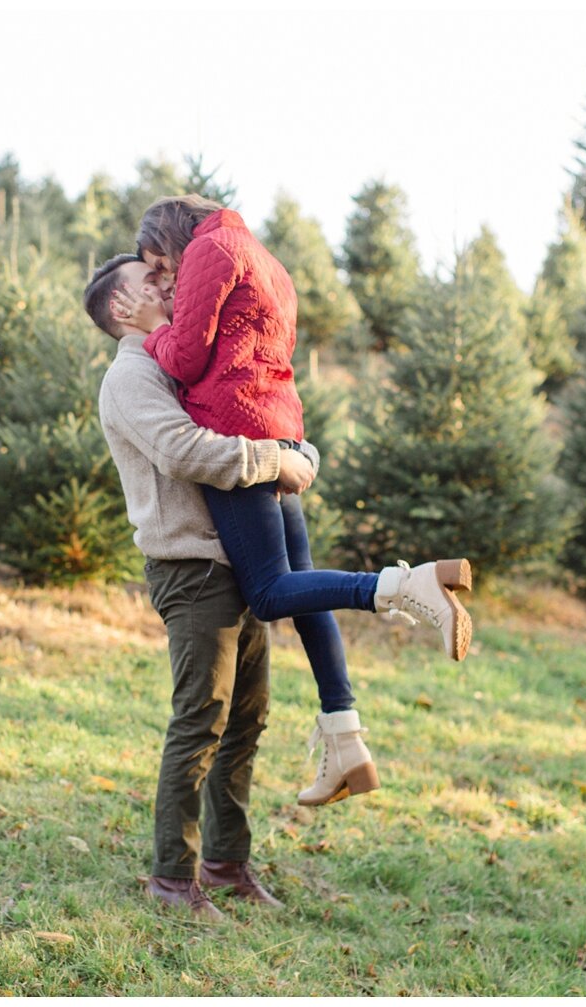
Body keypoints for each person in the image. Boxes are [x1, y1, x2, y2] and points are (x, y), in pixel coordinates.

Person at [108, 195, 473, 801]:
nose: (165, 280)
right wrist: (291, 449)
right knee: (303, 593)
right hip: (276, 426)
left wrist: (153, 332)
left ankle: (404, 585)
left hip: (238, 433)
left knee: (272, 592)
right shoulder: (260, 256)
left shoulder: (208, 248)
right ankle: (345, 739)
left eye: (158, 265)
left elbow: (190, 356)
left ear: (170, 241)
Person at [86, 253, 305, 918]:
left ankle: (227, 862)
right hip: (190, 568)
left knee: (246, 718)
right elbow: (183, 451)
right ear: (121, 310)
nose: (167, 283)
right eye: (149, 281)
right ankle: (172, 879)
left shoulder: (179, 364)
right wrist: (274, 461)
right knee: (201, 719)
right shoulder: (131, 377)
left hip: (236, 562)